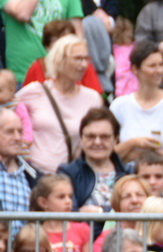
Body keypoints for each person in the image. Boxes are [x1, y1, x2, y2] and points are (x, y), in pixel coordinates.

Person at [17, 35, 103, 174]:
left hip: (68, 178)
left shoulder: (92, 98)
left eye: (85, 59)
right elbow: (7, 110)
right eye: (77, 59)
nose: (84, 65)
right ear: (60, 60)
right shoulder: (35, 91)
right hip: (33, 176)